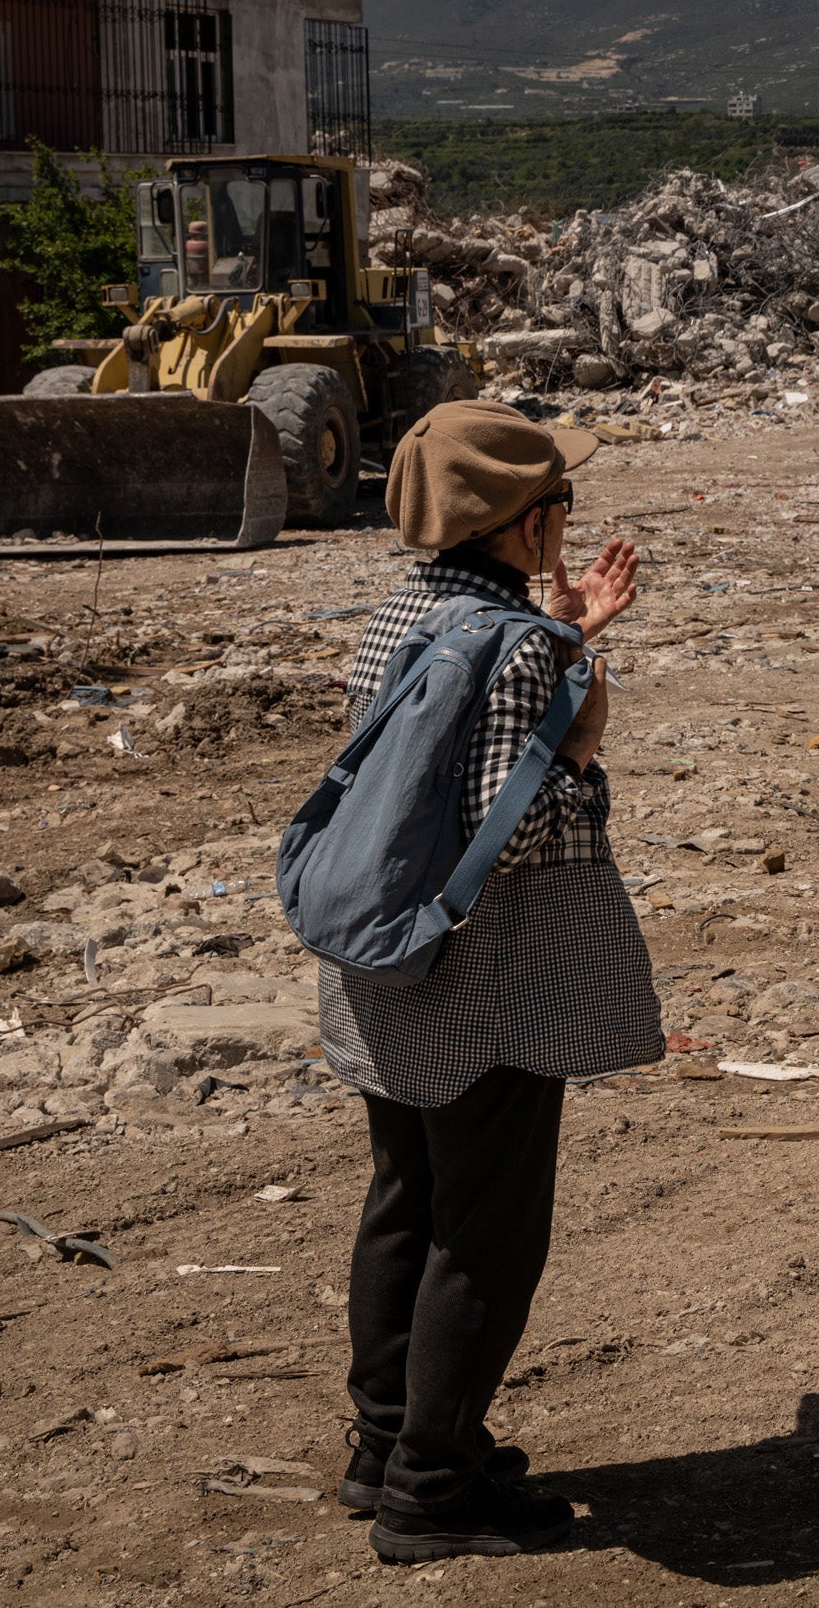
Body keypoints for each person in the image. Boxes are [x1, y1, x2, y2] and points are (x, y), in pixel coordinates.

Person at [321, 400, 655, 1562]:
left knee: (405, 1197)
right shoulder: (515, 647)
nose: (571, 519)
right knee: (491, 1229)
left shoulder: (397, 618)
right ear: (525, 528)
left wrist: (566, 632)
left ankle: (385, 1444)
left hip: (383, 961)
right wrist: (580, 744)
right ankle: (432, 1487)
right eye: (558, 505)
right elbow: (505, 826)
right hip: (488, 977)